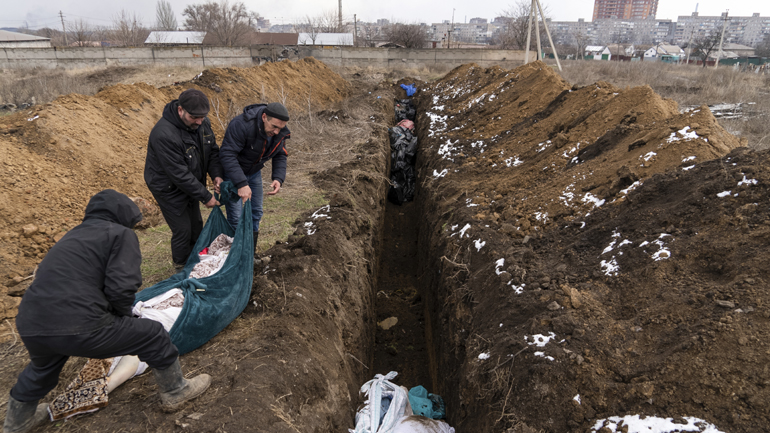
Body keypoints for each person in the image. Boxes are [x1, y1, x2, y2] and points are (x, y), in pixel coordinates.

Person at [3, 190, 210, 433]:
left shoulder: (72, 236)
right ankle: (176, 391)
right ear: (122, 213)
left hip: (31, 324)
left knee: (42, 368)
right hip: (80, 325)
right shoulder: (119, 234)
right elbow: (122, 287)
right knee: (151, 333)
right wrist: (124, 315)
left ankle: (17, 422)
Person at [144, 88, 224, 269]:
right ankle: (180, 268)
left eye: (202, 117)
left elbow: (211, 152)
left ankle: (195, 263)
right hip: (168, 187)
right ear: (180, 110)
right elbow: (178, 173)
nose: (199, 121)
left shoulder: (202, 123)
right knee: (182, 230)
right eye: (194, 117)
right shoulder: (163, 134)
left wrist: (217, 175)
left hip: (190, 181)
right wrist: (206, 196)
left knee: (196, 224)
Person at [220, 102, 290, 251]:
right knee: (236, 217)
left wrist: (278, 178)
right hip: (234, 173)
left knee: (256, 212)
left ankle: (248, 255)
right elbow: (227, 155)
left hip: (253, 172)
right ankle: (234, 259)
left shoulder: (279, 131)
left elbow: (280, 154)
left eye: (280, 128)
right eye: (274, 127)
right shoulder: (241, 125)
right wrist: (241, 183)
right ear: (264, 117)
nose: (277, 132)